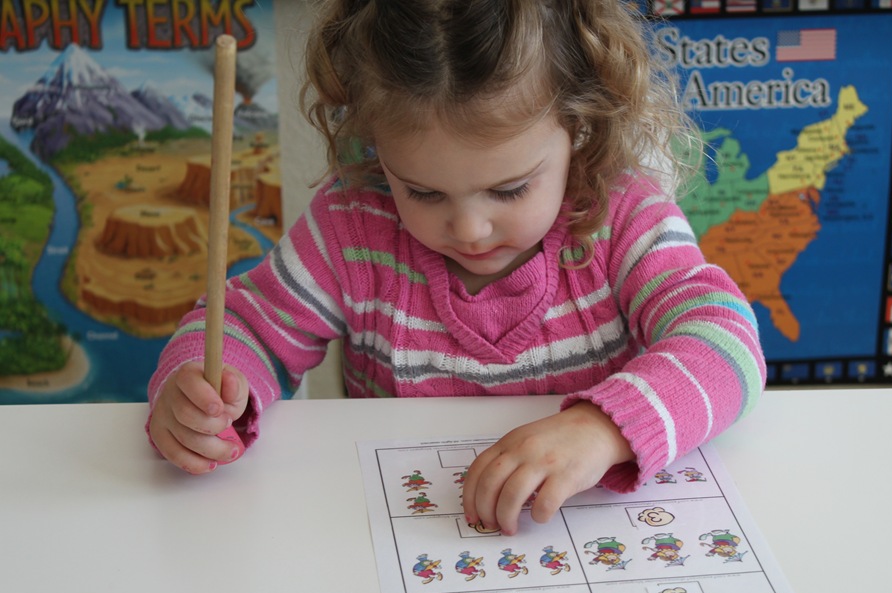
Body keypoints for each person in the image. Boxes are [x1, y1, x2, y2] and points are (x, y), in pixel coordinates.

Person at [146, 0, 766, 535]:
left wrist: (604, 430)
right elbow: (248, 328)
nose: (469, 229)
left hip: (589, 532)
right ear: (373, 143)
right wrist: (201, 390)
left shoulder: (621, 217)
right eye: (423, 192)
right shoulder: (352, 225)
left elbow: (727, 344)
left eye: (510, 189)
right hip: (397, 540)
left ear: (578, 123)